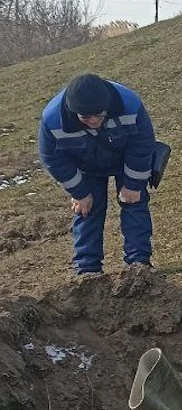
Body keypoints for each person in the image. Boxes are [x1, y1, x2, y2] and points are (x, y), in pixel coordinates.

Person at [39, 74, 157, 274]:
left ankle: (139, 265)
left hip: (126, 158)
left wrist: (133, 184)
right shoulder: (52, 119)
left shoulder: (129, 104)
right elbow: (52, 159)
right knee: (86, 210)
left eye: (98, 116)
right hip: (85, 165)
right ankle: (87, 270)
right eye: (85, 117)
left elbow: (143, 145)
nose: (93, 121)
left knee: (133, 203)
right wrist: (80, 192)